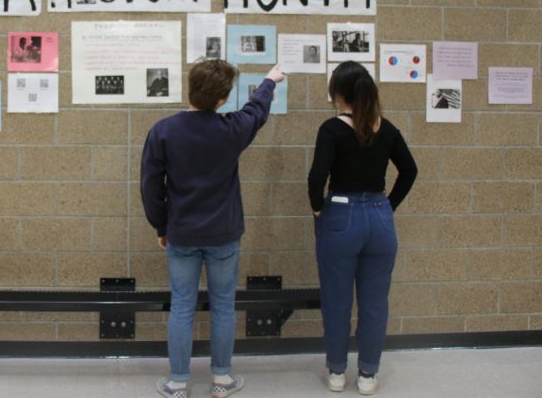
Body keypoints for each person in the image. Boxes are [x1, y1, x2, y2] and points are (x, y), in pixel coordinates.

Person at [141, 60, 284, 398]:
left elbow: (150, 186)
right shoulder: (231, 130)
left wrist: (161, 225)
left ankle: (177, 382)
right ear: (221, 100)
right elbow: (257, 111)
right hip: (224, 235)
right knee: (223, 305)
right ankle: (221, 380)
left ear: (190, 88)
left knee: (181, 306)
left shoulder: (163, 131)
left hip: (181, 233)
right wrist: (269, 81)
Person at [307, 61, 417, 396]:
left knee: (337, 299)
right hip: (380, 218)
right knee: (374, 302)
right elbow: (410, 171)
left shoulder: (331, 129)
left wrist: (317, 209)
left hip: (340, 216)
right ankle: (368, 374)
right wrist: (387, 206)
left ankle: (338, 373)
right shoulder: (387, 128)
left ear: (339, 92)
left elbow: (316, 177)